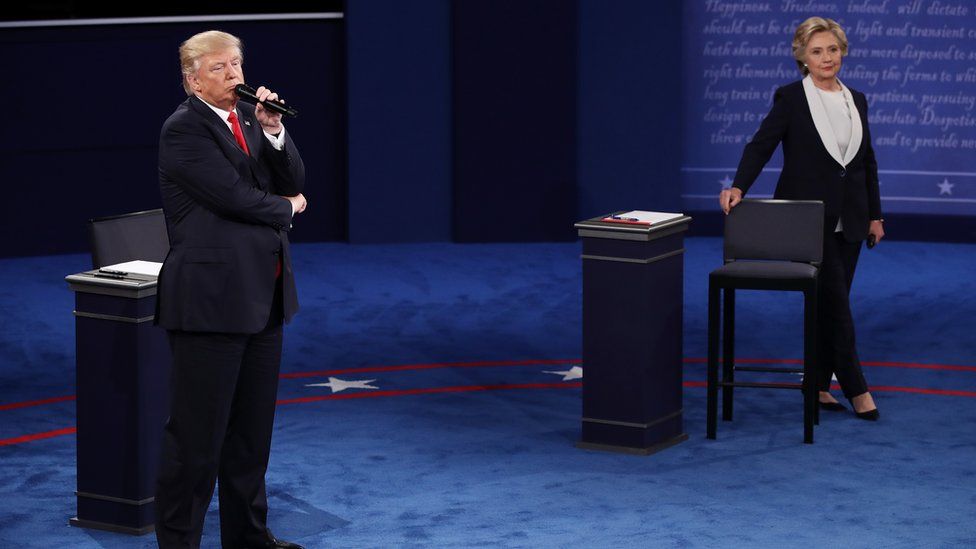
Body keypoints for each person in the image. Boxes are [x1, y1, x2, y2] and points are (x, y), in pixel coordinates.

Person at [154, 30, 308, 548]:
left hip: (262, 296)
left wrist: (273, 131)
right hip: (210, 302)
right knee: (196, 443)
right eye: (219, 68)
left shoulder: (247, 118)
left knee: (249, 436)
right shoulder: (183, 130)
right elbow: (237, 198)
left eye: (237, 65)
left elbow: (289, 176)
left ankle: (248, 537)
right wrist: (289, 209)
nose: (234, 76)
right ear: (191, 79)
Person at [718, 17, 882, 421]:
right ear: (802, 58)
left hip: (853, 219)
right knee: (837, 304)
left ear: (842, 50)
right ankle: (857, 388)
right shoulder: (791, 98)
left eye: (832, 49)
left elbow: (866, 163)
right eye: (817, 51)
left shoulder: (856, 99)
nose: (827, 58)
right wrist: (738, 185)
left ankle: (820, 386)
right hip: (806, 220)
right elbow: (761, 145)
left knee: (831, 304)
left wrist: (875, 215)